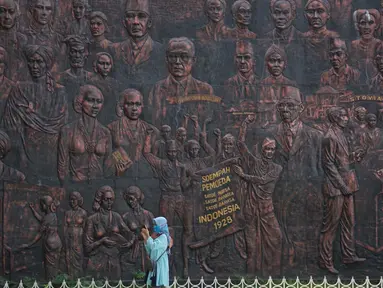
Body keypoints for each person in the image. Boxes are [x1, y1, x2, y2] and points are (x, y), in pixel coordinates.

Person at [319, 107, 366, 274]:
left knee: (349, 222)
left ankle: (348, 255)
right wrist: (342, 186)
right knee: (331, 226)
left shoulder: (342, 134)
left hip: (348, 185)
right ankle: (326, 262)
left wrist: (355, 156)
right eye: (343, 115)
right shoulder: (329, 137)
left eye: (346, 115)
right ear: (335, 118)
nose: (346, 118)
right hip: (336, 188)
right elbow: (329, 165)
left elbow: (343, 160)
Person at [141, 217, 173, 288]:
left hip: (159, 265)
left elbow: (153, 246)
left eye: (156, 225)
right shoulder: (158, 237)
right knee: (154, 284)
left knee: (157, 284)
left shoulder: (164, 237)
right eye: (154, 225)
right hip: (154, 265)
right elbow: (150, 250)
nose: (155, 226)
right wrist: (146, 239)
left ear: (161, 225)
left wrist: (148, 237)